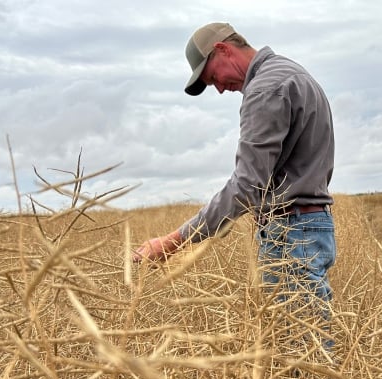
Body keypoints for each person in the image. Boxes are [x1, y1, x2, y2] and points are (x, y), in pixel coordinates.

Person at [133, 22, 336, 354]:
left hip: (291, 234)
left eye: (212, 77)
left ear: (223, 49)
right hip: (310, 228)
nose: (219, 89)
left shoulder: (266, 88)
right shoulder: (291, 73)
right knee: (311, 344)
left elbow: (246, 185)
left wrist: (174, 240)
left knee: (300, 357)